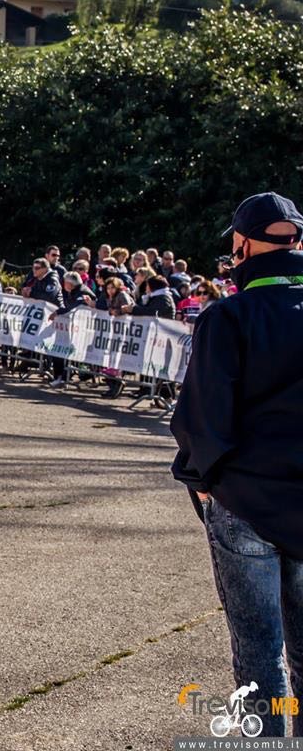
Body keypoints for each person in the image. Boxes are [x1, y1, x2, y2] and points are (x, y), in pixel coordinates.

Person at [170, 191, 303, 739]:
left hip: (245, 504)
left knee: (258, 654)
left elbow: (202, 419)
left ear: (242, 245)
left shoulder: (227, 317)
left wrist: (202, 481)